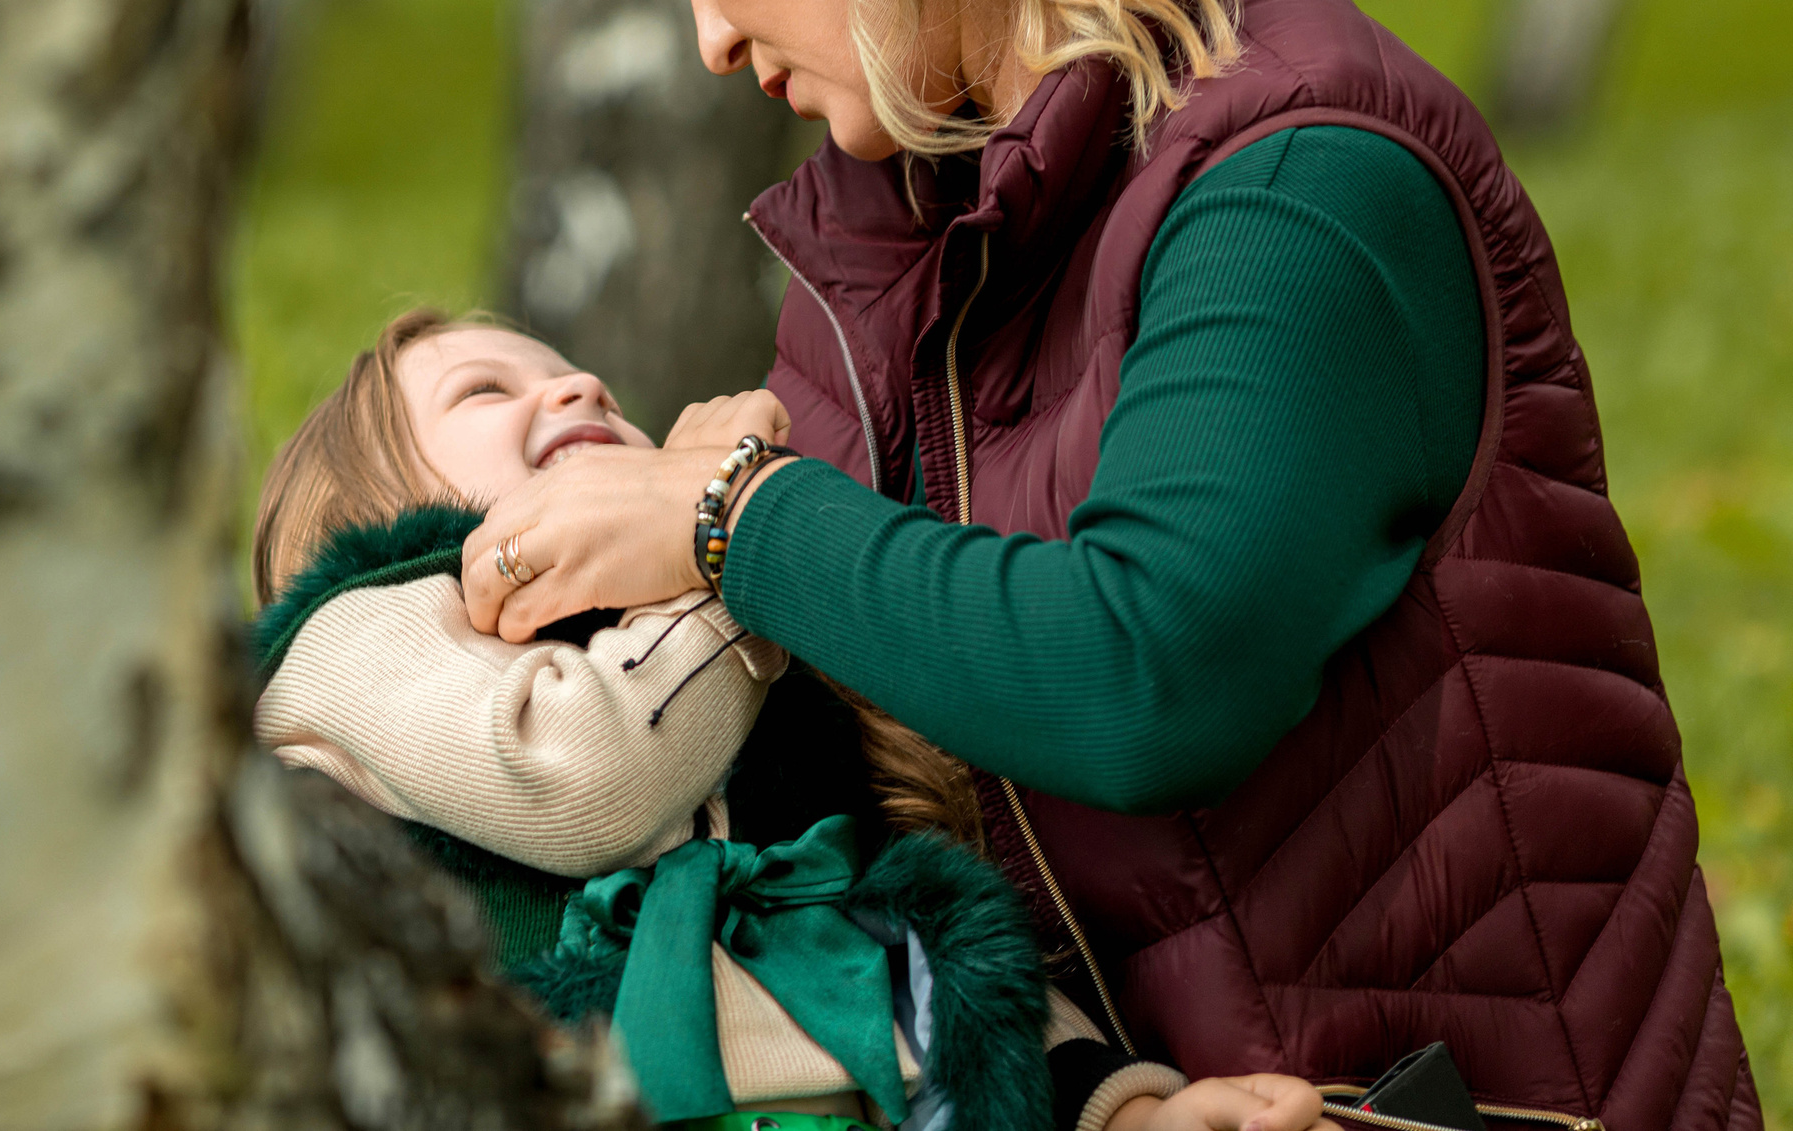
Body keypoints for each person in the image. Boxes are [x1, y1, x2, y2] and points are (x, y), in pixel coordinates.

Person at [458, 0, 1761, 1131]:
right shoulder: (911, 243)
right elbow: (886, 802)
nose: (710, 36)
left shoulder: (1297, 178)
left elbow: (1149, 672)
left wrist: (738, 523)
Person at [251, 308, 1338, 1131]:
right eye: (485, 390)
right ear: (367, 498)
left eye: (576, 374)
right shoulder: (361, 638)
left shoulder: (720, 680)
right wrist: (721, 536)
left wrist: (1123, 1111)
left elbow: (907, 935)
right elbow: (582, 777)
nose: (578, 382)